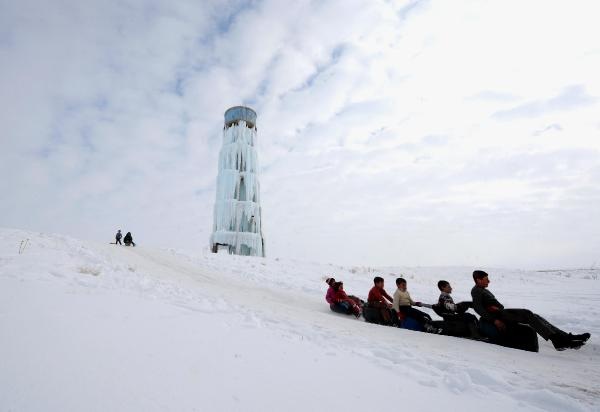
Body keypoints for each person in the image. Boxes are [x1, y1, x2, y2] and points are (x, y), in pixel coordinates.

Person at [471, 270, 590, 351]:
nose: (489, 281)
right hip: (498, 316)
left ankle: (566, 338)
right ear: (478, 280)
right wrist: (495, 320)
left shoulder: (482, 290)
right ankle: (557, 341)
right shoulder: (476, 291)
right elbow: (479, 309)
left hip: (500, 313)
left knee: (535, 317)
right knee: (527, 313)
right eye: (486, 279)